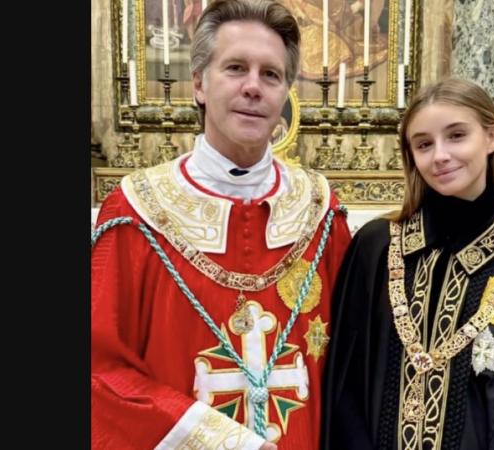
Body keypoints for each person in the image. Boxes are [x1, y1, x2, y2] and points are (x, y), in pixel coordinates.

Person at [91, 1, 352, 449]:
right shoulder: (137, 212)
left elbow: (357, 362)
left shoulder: (320, 212)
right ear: (199, 84)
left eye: (270, 74)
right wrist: (218, 440)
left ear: (286, 91)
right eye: (235, 68)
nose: (254, 87)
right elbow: (99, 368)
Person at [321, 78, 494, 450]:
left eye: (456, 136)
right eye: (424, 144)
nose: (439, 155)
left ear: (492, 137)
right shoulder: (375, 248)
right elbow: (344, 389)